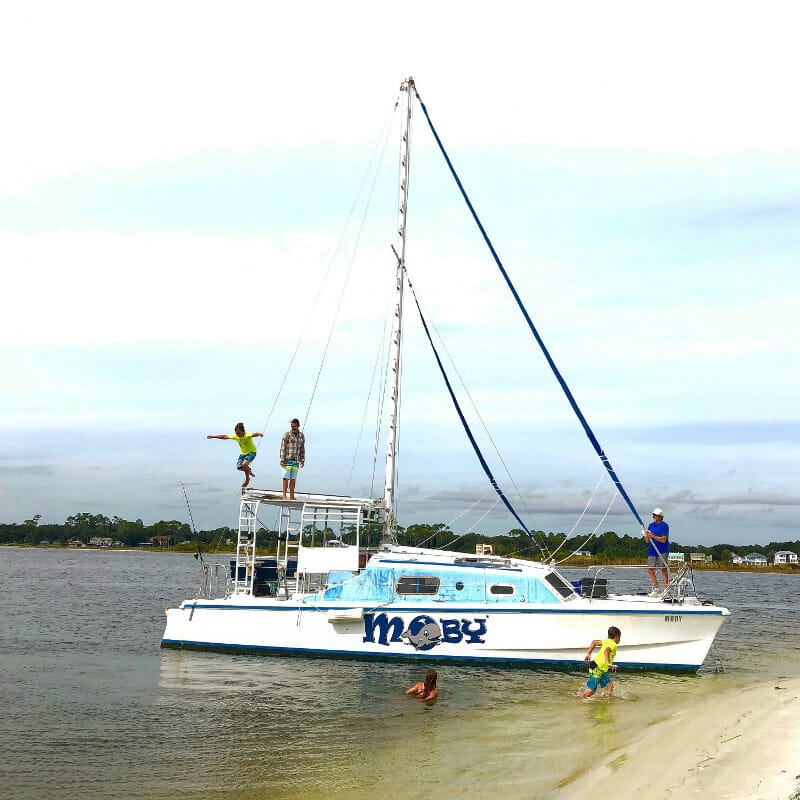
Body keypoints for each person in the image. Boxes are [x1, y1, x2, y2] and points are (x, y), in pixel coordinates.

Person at [207, 423, 263, 488]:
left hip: (251, 452)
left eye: (239, 433)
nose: (237, 435)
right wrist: (213, 437)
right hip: (243, 454)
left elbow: (254, 434)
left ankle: (247, 480)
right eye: (236, 433)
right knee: (239, 467)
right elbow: (224, 437)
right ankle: (248, 470)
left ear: (243, 431)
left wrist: (259, 434)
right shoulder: (236, 436)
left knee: (244, 465)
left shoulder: (247, 435)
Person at [580, 626, 621, 699]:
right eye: (619, 637)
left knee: (610, 686)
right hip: (597, 668)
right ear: (617, 636)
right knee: (592, 691)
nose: (619, 639)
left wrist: (588, 654)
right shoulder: (613, 644)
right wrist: (608, 663)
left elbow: (594, 642)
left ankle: (604, 700)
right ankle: (579, 699)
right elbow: (606, 651)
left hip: (601, 669)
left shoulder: (606, 641)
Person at [643, 507, 670, 595]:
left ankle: (666, 589)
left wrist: (653, 536)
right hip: (652, 550)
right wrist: (646, 535)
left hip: (662, 550)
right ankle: (656, 588)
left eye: (655, 515)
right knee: (650, 569)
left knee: (663, 569)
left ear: (660, 517)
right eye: (653, 515)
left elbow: (664, 539)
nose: (653, 516)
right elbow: (647, 541)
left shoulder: (664, 526)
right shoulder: (651, 525)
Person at [280, 418, 305, 500]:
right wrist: (282, 459)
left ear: (298, 426)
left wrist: (302, 459)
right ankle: (284, 495)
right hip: (287, 460)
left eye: (294, 426)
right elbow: (283, 447)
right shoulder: (287, 435)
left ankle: (291, 495)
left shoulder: (301, 436)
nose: (293, 428)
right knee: (285, 478)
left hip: (296, 461)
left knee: (293, 479)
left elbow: (302, 448)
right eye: (292, 426)